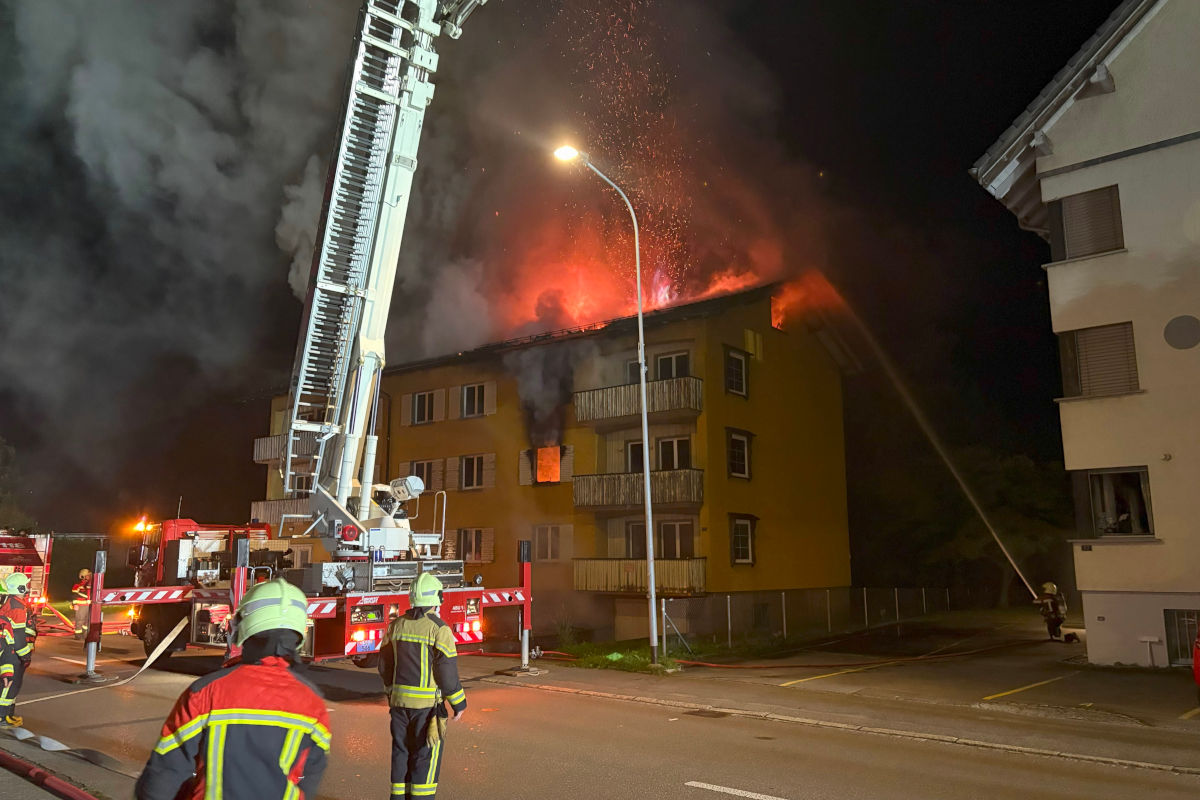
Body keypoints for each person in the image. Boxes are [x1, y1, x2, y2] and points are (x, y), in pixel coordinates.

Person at [134, 578, 330, 800]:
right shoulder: (313, 703)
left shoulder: (206, 692)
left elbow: (165, 774)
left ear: (245, 626)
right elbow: (309, 779)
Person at [379, 573, 467, 799]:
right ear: (436, 599)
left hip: (398, 707)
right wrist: (459, 703)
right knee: (424, 760)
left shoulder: (396, 626)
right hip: (427, 710)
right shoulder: (439, 629)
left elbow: (384, 666)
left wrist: (391, 694)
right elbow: (446, 674)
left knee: (401, 755)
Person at [0, 573, 35, 727]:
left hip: (9, 651)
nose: (27, 588)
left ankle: (8, 714)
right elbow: (19, 635)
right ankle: (2, 717)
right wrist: (25, 654)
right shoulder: (17, 607)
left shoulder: (13, 602)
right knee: (9, 684)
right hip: (12, 653)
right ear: (20, 587)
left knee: (12, 684)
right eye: (26, 585)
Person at [71, 568, 92, 640]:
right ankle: (78, 635)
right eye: (87, 575)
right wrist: (75, 605)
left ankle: (84, 634)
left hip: (88, 605)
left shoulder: (89, 585)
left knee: (87, 620)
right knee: (80, 620)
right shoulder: (78, 585)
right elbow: (74, 595)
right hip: (81, 606)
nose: (89, 577)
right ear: (83, 576)